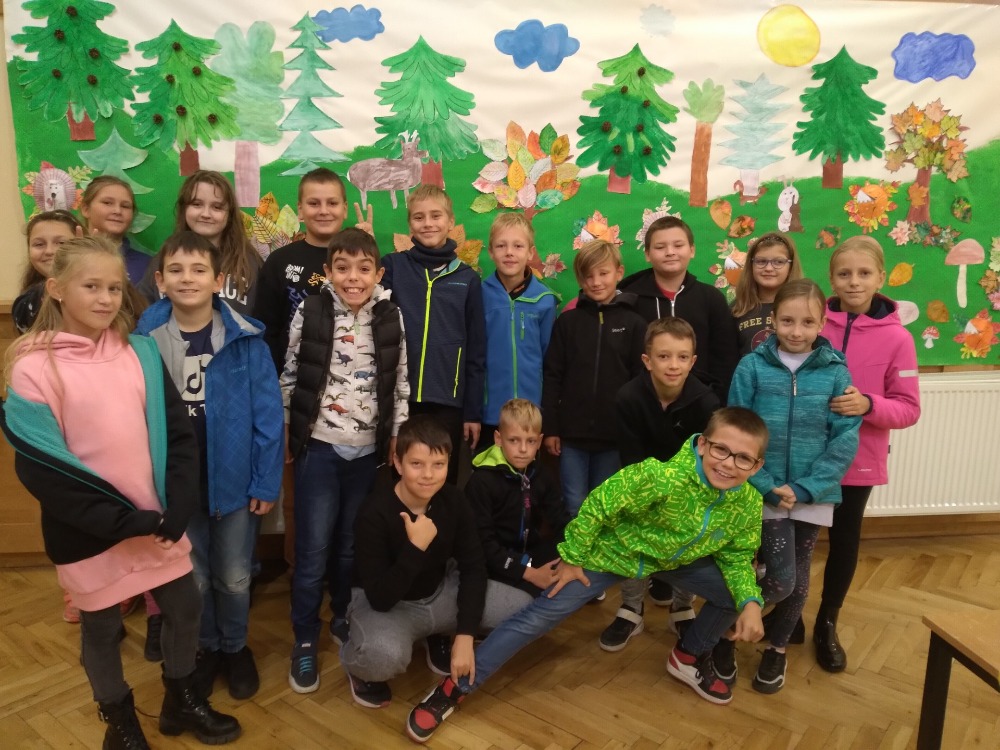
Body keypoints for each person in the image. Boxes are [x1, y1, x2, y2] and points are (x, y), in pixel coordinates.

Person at [0, 236, 240, 748]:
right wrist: (122, 522)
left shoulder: (141, 353)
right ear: (56, 288)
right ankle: (120, 721)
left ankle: (180, 699)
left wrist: (179, 504)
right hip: (88, 530)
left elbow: (178, 435)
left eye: (114, 287)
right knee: (103, 628)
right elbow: (43, 469)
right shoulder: (32, 368)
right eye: (92, 286)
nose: (106, 298)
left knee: (185, 607)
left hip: (155, 522)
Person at [405, 407, 771, 742]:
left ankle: (688, 655)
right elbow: (597, 505)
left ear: (756, 466)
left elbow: (737, 556)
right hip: (611, 555)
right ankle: (456, 687)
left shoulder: (748, 502)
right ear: (703, 444)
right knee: (537, 617)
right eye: (721, 450)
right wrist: (574, 557)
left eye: (742, 458)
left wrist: (750, 602)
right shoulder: (660, 477)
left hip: (674, 562)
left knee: (735, 595)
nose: (728, 464)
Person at [135, 230, 284, 701]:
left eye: (199, 270)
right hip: (176, 488)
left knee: (235, 577)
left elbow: (268, 419)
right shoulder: (144, 342)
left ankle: (235, 647)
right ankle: (207, 648)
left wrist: (265, 481)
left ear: (218, 281)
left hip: (235, 484)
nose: (188, 279)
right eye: (176, 270)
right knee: (195, 579)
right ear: (161, 281)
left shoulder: (247, 341)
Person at [281, 227, 410, 694]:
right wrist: (289, 432)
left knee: (351, 546)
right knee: (313, 550)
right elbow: (290, 374)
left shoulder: (391, 315)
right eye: (342, 268)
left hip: (368, 452)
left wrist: (395, 434)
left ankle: (341, 616)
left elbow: (400, 380)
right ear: (328, 271)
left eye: (363, 269)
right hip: (319, 448)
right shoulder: (311, 310)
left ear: (378, 274)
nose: (353, 277)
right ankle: (303, 637)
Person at [339, 415, 530, 709]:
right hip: (389, 605)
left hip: (439, 593)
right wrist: (416, 547)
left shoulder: (454, 500)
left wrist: (465, 636)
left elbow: (473, 567)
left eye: (438, 464)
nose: (428, 475)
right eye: (417, 464)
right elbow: (379, 598)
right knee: (382, 657)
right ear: (398, 463)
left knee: (522, 608)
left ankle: (437, 633)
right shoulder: (373, 512)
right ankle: (357, 663)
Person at [728, 279, 861, 694]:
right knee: (781, 579)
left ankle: (778, 648)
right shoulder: (751, 367)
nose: (797, 331)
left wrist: (807, 488)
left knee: (799, 578)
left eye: (807, 322)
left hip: (812, 494)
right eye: (787, 321)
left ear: (822, 323)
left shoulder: (836, 372)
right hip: (761, 490)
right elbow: (734, 429)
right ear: (773, 321)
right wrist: (765, 484)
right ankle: (725, 629)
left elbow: (844, 438)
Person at [814, 236, 920, 672]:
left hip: (858, 459)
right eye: (844, 273)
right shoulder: (814, 324)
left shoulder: (898, 339)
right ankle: (787, 612)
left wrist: (868, 404)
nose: (853, 282)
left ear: (881, 277)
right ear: (832, 279)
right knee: (796, 539)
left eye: (863, 273)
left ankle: (827, 620)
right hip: (805, 456)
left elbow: (909, 408)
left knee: (844, 540)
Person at [599, 317, 720, 652]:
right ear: (647, 360)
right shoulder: (628, 398)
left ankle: (682, 606)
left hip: (688, 487)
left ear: (693, 361)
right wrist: (648, 500)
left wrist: (679, 502)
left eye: (682, 357)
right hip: (642, 482)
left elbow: (703, 462)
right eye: (664, 356)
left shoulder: (707, 403)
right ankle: (632, 608)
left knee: (693, 532)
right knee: (630, 525)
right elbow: (632, 460)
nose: (673, 365)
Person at [380, 185, 485, 484]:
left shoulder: (468, 279)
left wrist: (472, 413)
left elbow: (477, 351)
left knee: (441, 481)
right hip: (400, 399)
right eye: (419, 217)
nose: (428, 223)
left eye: (436, 216)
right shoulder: (392, 267)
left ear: (451, 221)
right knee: (399, 478)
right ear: (409, 224)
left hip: (447, 402)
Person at [542, 239, 646, 519]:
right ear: (580, 279)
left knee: (604, 507)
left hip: (613, 438)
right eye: (588, 276)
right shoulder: (567, 323)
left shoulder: (635, 324)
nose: (596, 282)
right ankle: (572, 550)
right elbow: (552, 376)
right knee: (573, 505)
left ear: (619, 273)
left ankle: (600, 551)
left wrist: (631, 432)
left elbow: (640, 382)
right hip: (571, 437)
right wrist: (551, 428)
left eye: (603, 273)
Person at [254, 167, 373, 372]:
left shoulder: (364, 263)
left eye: (332, 203)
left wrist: (367, 252)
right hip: (293, 379)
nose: (324, 211)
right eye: (314, 203)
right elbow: (266, 330)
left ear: (344, 209)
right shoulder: (279, 262)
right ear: (300, 210)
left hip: (351, 380)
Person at [619, 216, 740, 402]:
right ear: (647, 254)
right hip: (642, 404)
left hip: (699, 404)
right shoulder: (629, 299)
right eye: (660, 247)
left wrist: (714, 401)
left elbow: (725, 358)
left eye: (678, 245)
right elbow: (620, 357)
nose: (670, 252)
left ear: (692, 250)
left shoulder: (711, 298)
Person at [466, 398, 569, 598]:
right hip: (493, 562)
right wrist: (529, 574)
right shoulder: (481, 482)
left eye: (530, 441)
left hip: (527, 555)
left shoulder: (541, 474)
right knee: (532, 597)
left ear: (539, 441)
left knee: (570, 573)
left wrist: (572, 558)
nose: (523, 449)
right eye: (513, 440)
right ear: (498, 438)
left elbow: (560, 520)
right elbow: (483, 544)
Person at [138, 171, 263, 317]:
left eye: (217, 207)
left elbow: (266, 319)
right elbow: (140, 312)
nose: (206, 214)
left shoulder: (249, 263)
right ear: (184, 209)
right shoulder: (163, 260)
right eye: (197, 204)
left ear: (230, 214)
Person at [480, 214, 557, 435]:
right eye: (501, 246)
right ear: (491, 252)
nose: (509, 252)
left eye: (518, 246)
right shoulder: (479, 295)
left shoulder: (544, 300)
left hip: (531, 415)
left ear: (530, 252)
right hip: (490, 414)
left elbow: (549, 360)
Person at [731, 232, 803, 355]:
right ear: (751, 265)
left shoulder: (804, 307)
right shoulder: (737, 309)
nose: (768, 268)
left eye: (779, 262)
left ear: (790, 267)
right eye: (761, 261)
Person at [13, 210, 84, 334]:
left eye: (61, 243)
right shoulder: (26, 303)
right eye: (39, 244)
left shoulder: (99, 289)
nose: (49, 251)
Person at [79, 175, 151, 285]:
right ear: (86, 209)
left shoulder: (147, 265)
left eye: (125, 206)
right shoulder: (66, 257)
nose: (117, 211)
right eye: (107, 203)